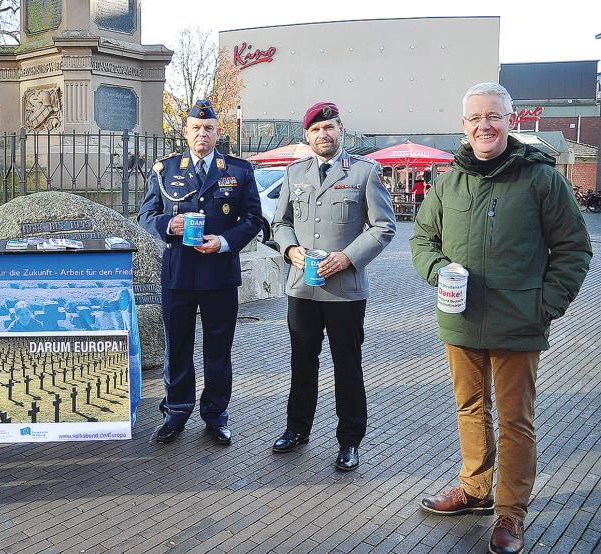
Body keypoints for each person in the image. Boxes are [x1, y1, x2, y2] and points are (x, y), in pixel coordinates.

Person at [410, 83, 591, 554]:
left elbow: (574, 248)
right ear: (464, 125)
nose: (484, 125)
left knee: (515, 421)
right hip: (460, 319)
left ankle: (510, 511)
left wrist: (545, 305)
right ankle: (473, 489)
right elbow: (422, 239)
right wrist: (436, 270)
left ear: (511, 120)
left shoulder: (541, 179)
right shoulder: (448, 179)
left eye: (494, 116)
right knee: (470, 408)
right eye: (475, 118)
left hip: (519, 321)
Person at [270, 102, 396, 471]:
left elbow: (384, 226)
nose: (322, 134)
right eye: (315, 130)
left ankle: (350, 440)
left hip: (345, 289)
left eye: (328, 127)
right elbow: (280, 223)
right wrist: (291, 248)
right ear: (306, 136)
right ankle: (297, 430)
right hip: (303, 288)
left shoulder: (363, 172)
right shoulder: (295, 173)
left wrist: (348, 257)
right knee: (302, 363)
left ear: (340, 129)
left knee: (347, 365)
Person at [138, 99, 263, 446]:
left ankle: (215, 415)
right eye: (195, 127)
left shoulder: (238, 171)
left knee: (218, 351)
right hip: (178, 274)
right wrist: (169, 224)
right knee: (177, 348)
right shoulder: (165, 170)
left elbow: (254, 220)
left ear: (217, 132)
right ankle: (176, 412)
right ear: (185, 131)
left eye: (208, 128)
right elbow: (145, 217)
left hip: (219, 273)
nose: (202, 134)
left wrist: (224, 241)